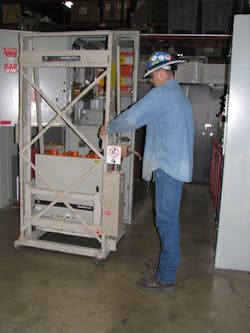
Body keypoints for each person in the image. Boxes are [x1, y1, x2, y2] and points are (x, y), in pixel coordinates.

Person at [99, 51, 194, 292]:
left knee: (166, 221)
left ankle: (166, 277)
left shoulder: (162, 94)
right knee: (167, 219)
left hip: (168, 167)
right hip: (174, 165)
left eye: (152, 76)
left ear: (162, 72)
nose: (151, 80)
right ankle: (166, 263)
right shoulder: (177, 94)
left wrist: (108, 127)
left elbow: (133, 118)